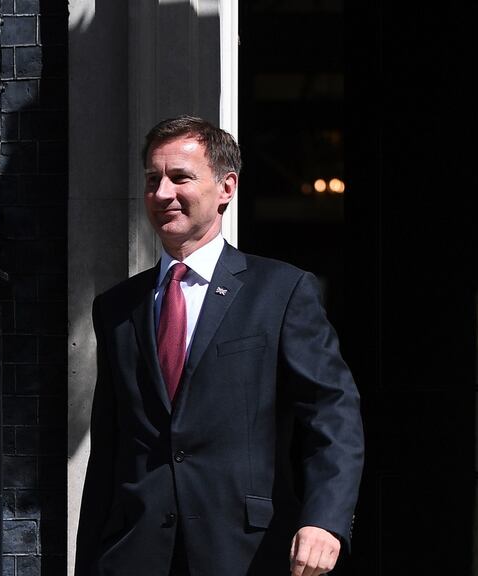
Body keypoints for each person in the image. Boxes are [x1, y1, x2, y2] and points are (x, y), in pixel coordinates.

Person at [74, 116, 364, 576]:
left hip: (245, 551)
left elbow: (332, 412)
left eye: (180, 177)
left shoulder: (281, 291)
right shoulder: (116, 308)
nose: (163, 193)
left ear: (227, 187)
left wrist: (324, 520)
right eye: (153, 179)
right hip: (133, 553)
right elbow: (109, 451)